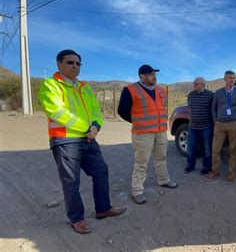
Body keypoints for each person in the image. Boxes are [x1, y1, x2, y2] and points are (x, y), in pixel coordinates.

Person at [38, 49, 126, 234]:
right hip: (65, 140)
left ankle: (103, 209)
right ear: (59, 64)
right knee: (71, 181)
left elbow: (95, 110)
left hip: (88, 138)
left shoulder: (85, 87)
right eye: (70, 62)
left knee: (101, 171)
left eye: (78, 63)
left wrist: (95, 126)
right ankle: (77, 219)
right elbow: (58, 113)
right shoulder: (50, 85)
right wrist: (87, 128)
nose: (75, 66)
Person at [118, 64, 178, 205]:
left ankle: (164, 180)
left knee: (161, 157)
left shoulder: (160, 90)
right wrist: (138, 121)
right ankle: (137, 191)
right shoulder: (130, 90)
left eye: (155, 74)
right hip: (143, 133)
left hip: (161, 131)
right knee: (141, 163)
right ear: (142, 76)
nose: (154, 77)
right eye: (151, 74)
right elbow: (122, 111)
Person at [205, 70, 236, 183]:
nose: (232, 80)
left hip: (234, 124)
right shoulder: (218, 93)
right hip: (219, 125)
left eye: (234, 78)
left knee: (233, 150)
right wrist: (215, 121)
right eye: (230, 77)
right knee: (215, 149)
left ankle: (231, 173)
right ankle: (215, 171)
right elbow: (213, 108)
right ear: (224, 79)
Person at [185, 77, 214, 174]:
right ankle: (190, 165)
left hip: (206, 127)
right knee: (191, 147)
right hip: (193, 127)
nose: (193, 85)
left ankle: (206, 167)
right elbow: (189, 108)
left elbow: (213, 110)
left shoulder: (210, 95)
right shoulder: (191, 95)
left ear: (201, 85)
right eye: (194, 84)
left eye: (195, 84)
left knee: (207, 148)